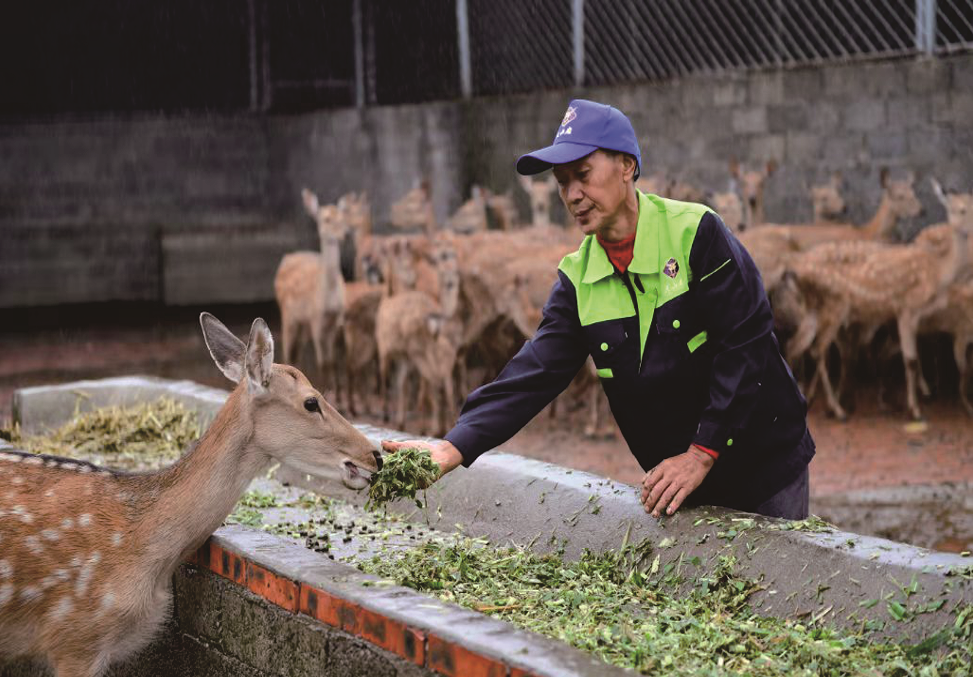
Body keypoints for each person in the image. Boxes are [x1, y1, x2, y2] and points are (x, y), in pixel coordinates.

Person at [382, 99, 814, 519]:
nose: (572, 195)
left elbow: (746, 342)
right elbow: (535, 372)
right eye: (562, 182)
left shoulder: (696, 234)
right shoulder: (578, 277)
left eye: (583, 175)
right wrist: (453, 445)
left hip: (762, 467)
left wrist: (701, 454)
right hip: (677, 482)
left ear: (627, 166)